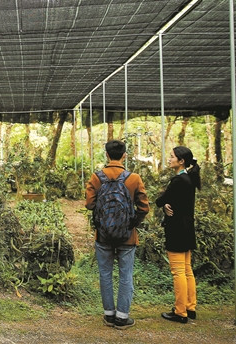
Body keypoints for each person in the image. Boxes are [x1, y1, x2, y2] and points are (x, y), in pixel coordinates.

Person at [85, 139, 150, 330]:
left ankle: (108, 315)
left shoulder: (96, 177)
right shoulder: (134, 178)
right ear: (124, 156)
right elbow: (144, 207)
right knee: (126, 275)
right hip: (127, 236)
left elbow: (89, 204)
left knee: (105, 274)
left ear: (106, 155)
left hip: (103, 235)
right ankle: (122, 317)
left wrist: (105, 218)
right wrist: (131, 223)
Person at [156, 146, 201, 323]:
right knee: (187, 269)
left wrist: (164, 203)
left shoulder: (178, 181)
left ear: (181, 161)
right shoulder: (188, 178)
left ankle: (180, 311)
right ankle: (190, 307)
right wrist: (167, 203)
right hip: (188, 229)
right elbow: (173, 201)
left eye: (172, 156)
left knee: (178, 272)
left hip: (176, 230)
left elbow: (160, 200)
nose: (169, 159)